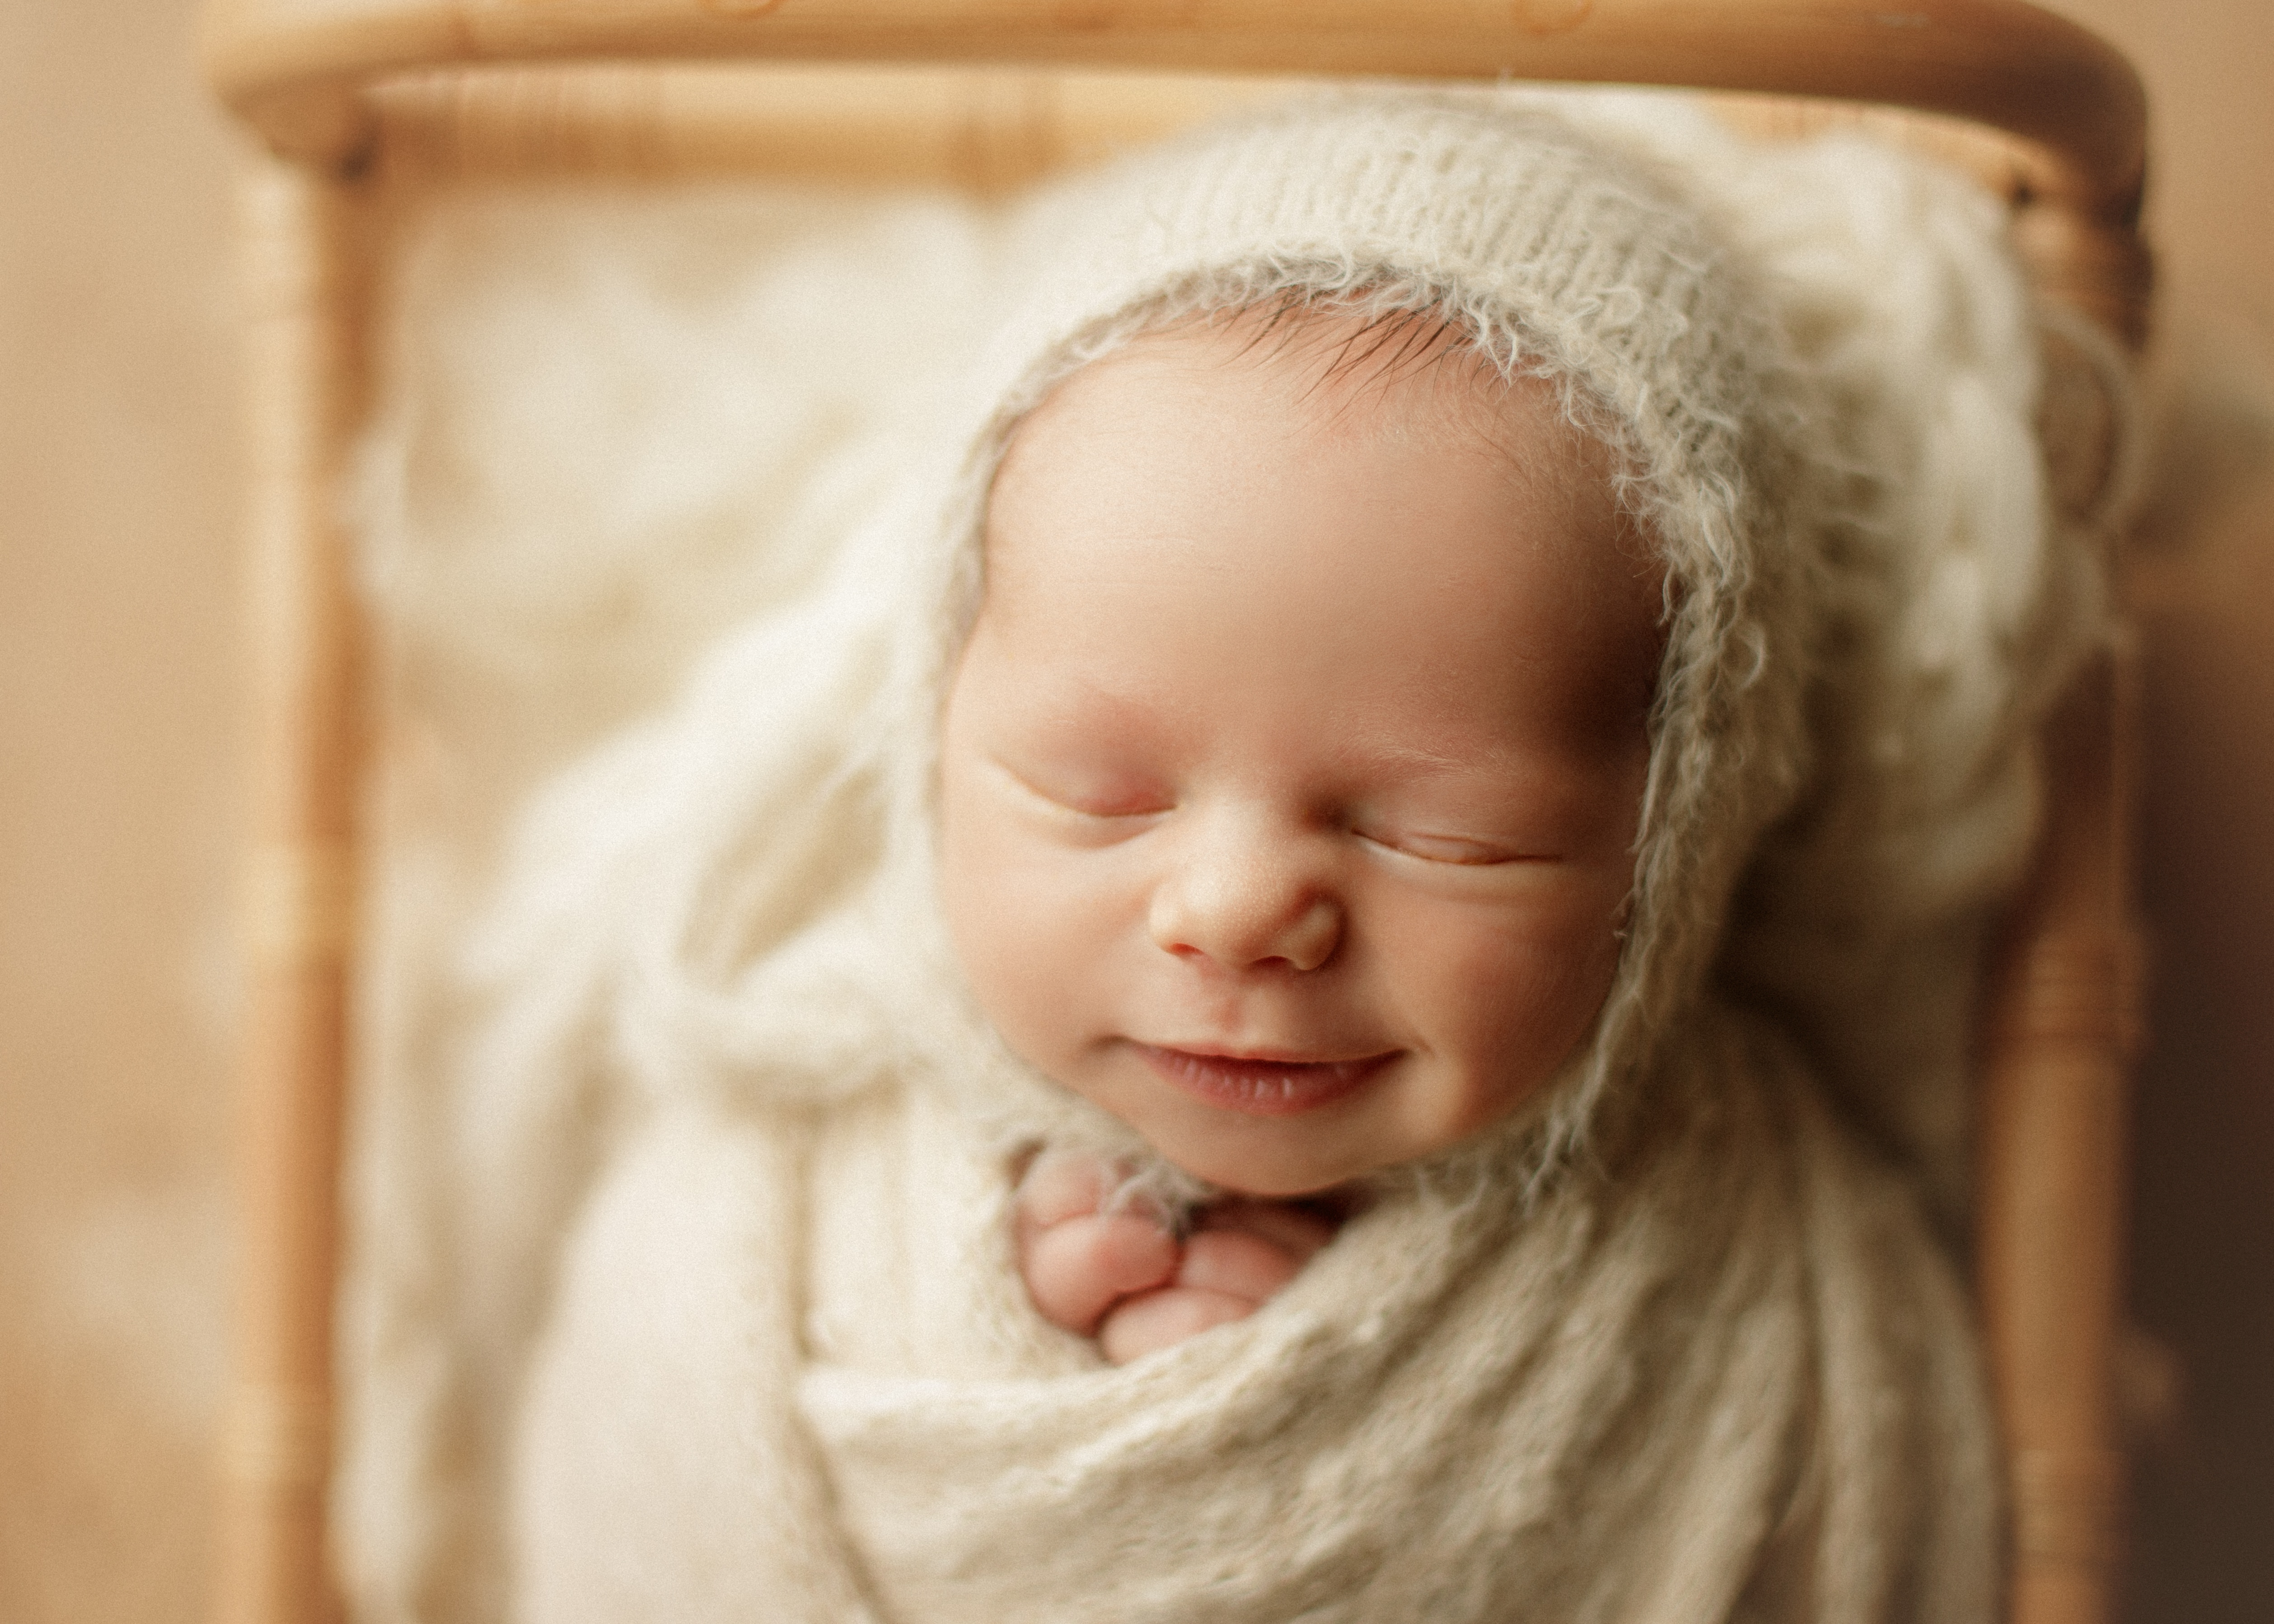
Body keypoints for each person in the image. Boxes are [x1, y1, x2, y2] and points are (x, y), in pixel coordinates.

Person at [348, 89, 2110, 1624]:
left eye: (1442, 826)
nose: (1238, 909)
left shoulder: (1760, 1278)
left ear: (1681, 828)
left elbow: (1887, 1538)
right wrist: (1064, 1441)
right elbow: (631, 1513)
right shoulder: (770, 1187)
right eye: (1099, 791)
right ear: (926, 739)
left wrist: (1294, 1482)